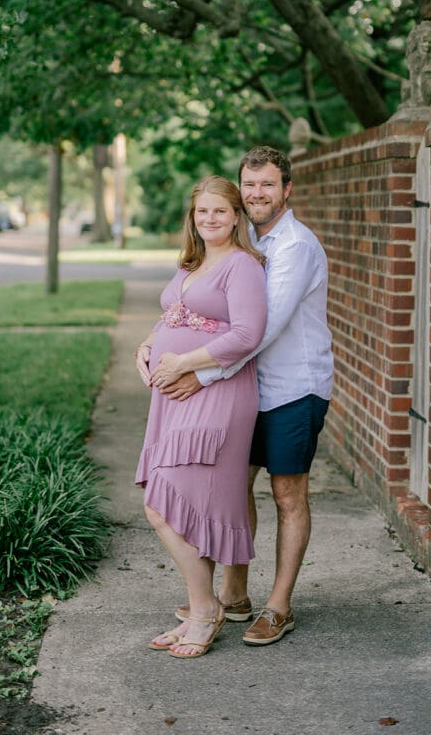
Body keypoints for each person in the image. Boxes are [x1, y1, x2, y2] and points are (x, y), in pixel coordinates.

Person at [161, 146, 333, 646]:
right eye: (250, 185)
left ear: (287, 190)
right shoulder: (244, 243)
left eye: (268, 185)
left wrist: (200, 375)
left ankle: (279, 607)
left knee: (287, 493)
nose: (258, 193)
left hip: (293, 389)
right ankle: (233, 594)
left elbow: (258, 331)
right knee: (233, 485)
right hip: (246, 388)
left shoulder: (295, 247)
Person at [134, 176, 267, 659]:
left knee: (162, 502)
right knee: (182, 506)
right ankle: (197, 610)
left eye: (219, 211)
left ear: (236, 216)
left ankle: (206, 610)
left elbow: (248, 334)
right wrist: (148, 345)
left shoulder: (242, 267)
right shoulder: (192, 262)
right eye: (201, 212)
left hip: (219, 394)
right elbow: (172, 315)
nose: (209, 219)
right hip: (173, 397)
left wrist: (183, 363)